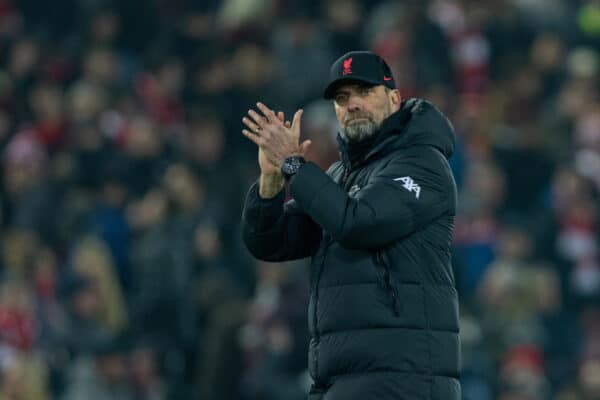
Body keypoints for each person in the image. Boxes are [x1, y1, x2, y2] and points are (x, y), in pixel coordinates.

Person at [241, 50, 460, 400]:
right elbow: (271, 242)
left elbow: (358, 223)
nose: (352, 104)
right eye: (342, 98)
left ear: (393, 98)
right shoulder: (339, 177)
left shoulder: (421, 163)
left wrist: (294, 166)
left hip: (403, 379)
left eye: (364, 92)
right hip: (340, 377)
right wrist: (270, 182)